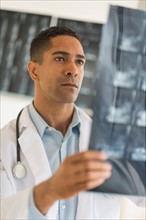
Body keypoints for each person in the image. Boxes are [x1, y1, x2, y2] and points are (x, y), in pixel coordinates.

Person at [0, 26, 144, 220]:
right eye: (60, 58)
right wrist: (49, 191)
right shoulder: (4, 145)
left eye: (80, 62)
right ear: (34, 70)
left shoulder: (110, 139)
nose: (73, 70)